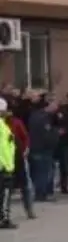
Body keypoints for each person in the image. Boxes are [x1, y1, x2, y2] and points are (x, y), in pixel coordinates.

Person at [4, 101, 34, 218]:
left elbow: (25, 136)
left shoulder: (16, 123)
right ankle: (6, 212)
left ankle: (29, 209)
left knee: (25, 185)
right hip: (6, 160)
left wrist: (26, 148)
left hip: (18, 157)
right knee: (7, 188)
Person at [27, 98, 58, 201]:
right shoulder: (45, 118)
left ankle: (39, 192)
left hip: (34, 147)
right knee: (43, 172)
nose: (56, 107)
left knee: (37, 172)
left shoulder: (34, 116)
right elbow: (47, 135)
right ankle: (41, 194)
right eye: (54, 105)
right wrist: (55, 136)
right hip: (43, 148)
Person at [0, 98, 17, 229]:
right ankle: (4, 218)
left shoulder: (3, 124)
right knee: (5, 194)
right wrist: (6, 166)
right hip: (4, 166)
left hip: (5, 165)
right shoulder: (1, 126)